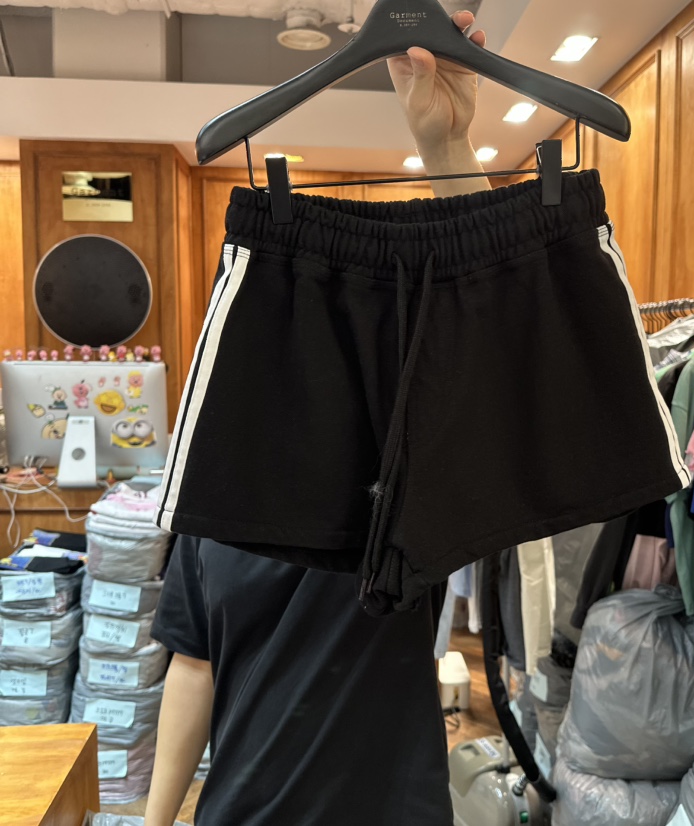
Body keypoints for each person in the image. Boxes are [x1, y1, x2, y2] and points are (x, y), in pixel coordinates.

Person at [144, 11, 490, 825]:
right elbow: (193, 666)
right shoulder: (209, 498)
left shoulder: (404, 482)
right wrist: (155, 821)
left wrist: (448, 151)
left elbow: (486, 338)